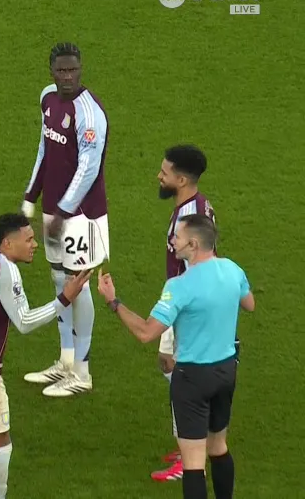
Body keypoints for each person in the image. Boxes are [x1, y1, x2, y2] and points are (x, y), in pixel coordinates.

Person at [97, 214, 254, 499]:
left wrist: (113, 301)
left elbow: (146, 332)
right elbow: (249, 304)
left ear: (193, 244)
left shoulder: (179, 286)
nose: (172, 241)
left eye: (177, 237)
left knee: (194, 463)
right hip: (226, 370)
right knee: (218, 447)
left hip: (193, 378)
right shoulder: (233, 269)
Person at [0, 213, 90, 499]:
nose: (35, 244)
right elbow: (24, 321)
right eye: (29, 239)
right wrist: (65, 298)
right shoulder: (6, 269)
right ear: (8, 244)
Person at [20, 42, 110, 397]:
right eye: (62, 71)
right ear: (51, 71)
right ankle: (66, 361)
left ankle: (83, 373)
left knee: (79, 283)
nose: (69, 77)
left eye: (74, 70)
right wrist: (31, 195)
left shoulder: (90, 113)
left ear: (81, 68)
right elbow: (44, 149)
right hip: (54, 212)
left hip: (82, 216)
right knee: (59, 280)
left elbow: (88, 168)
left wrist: (63, 211)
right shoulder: (48, 99)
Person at [152, 145, 226, 481]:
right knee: (176, 374)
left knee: (180, 378)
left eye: (165, 172)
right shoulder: (197, 205)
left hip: (187, 308)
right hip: (190, 302)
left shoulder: (187, 220)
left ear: (181, 179)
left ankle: (188, 457)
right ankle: (191, 445)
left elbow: (193, 273)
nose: (159, 176)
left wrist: (171, 329)